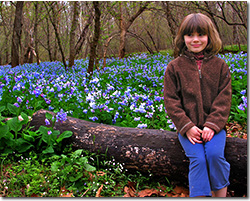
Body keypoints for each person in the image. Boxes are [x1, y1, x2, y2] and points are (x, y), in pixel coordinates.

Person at [163, 13, 231, 197]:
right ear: (182, 38)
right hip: (189, 130)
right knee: (198, 160)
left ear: (209, 37)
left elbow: (224, 100)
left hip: (214, 128)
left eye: (201, 34)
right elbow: (171, 101)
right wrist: (187, 127)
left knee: (215, 156)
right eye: (189, 35)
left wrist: (212, 125)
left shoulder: (220, 66)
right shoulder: (174, 67)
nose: (195, 40)